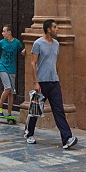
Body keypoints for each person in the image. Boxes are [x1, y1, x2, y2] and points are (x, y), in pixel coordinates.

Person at [25, 19, 77, 149]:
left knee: (59, 110)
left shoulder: (56, 44)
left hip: (54, 82)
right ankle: (29, 133)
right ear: (49, 29)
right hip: (41, 82)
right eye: (55, 27)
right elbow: (33, 63)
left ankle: (67, 138)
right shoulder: (38, 43)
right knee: (36, 110)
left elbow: (56, 61)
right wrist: (35, 82)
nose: (57, 29)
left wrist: (56, 75)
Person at [0, 24, 25, 120]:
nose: (2, 33)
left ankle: (9, 113)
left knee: (11, 92)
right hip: (2, 67)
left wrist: (24, 51)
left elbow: (22, 51)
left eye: (4, 31)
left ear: (9, 32)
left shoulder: (17, 42)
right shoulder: (2, 42)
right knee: (8, 88)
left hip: (12, 69)